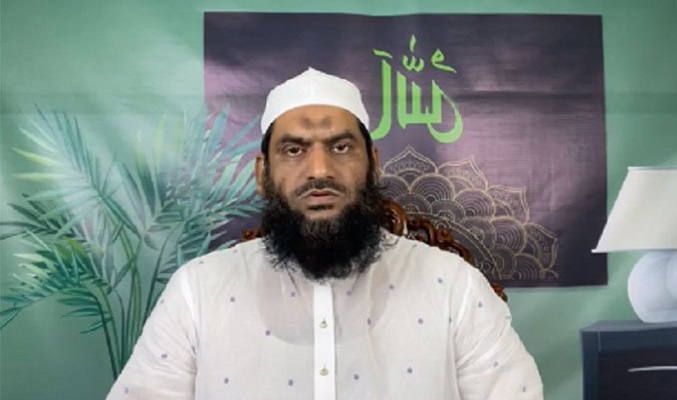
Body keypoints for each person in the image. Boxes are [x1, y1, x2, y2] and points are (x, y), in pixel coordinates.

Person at [107, 67, 543, 399]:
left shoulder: (454, 287)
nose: (319, 170)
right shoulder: (197, 291)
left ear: (373, 164)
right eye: (294, 149)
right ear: (262, 174)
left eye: (340, 147)